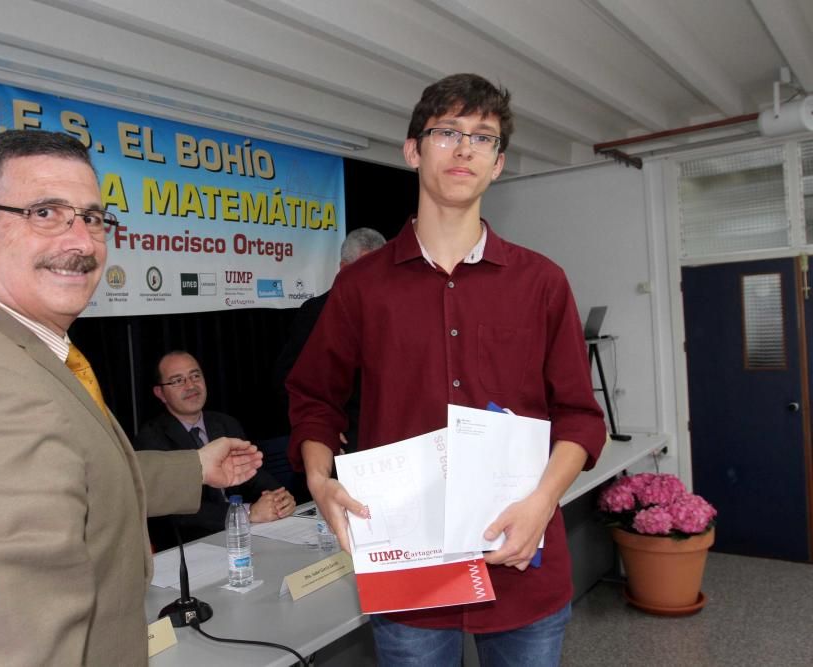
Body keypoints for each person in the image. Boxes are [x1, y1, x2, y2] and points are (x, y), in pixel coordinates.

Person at [0, 130, 262, 666]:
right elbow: (19, 651)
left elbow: (72, 474)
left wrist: (194, 469)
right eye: (46, 212)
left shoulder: (5, 347)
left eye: (92, 218)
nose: (82, 242)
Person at [286, 74, 606, 666]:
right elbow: (314, 398)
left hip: (522, 558)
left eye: (482, 138)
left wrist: (542, 503)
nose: (464, 149)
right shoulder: (360, 286)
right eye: (446, 132)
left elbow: (581, 418)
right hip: (409, 571)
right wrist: (318, 479)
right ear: (413, 151)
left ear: (498, 163)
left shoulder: (542, 282)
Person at [135, 351, 296, 550]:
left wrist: (279, 496)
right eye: (178, 381)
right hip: (191, 546)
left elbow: (252, 474)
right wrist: (247, 513)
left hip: (244, 537)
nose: (190, 386)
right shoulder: (152, 438)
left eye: (195, 376)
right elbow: (177, 512)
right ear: (160, 393)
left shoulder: (225, 423)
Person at [274, 227, 386, 451]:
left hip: (388, 433)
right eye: (367, 271)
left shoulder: (392, 311)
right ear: (344, 269)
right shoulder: (317, 312)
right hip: (344, 439)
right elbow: (291, 380)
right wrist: (322, 426)